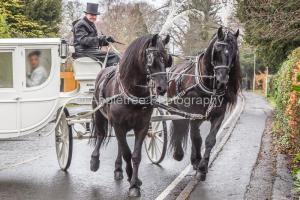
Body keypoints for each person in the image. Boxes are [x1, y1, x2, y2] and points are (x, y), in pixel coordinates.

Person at [72, 3, 120, 67]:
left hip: (89, 50)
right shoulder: (81, 24)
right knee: (114, 56)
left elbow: (94, 40)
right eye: (91, 15)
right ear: (86, 14)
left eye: (95, 15)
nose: (94, 17)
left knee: (115, 54)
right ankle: (112, 75)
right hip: (83, 51)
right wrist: (100, 39)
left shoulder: (90, 24)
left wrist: (106, 40)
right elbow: (83, 40)